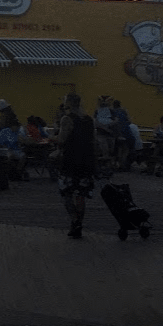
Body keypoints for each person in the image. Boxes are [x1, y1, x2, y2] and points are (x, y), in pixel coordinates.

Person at [55, 92, 96, 239]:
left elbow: (61, 140)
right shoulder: (88, 120)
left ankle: (75, 221)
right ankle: (79, 224)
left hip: (70, 160)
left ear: (69, 103)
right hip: (86, 160)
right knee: (81, 195)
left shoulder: (67, 119)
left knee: (67, 193)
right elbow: (93, 139)